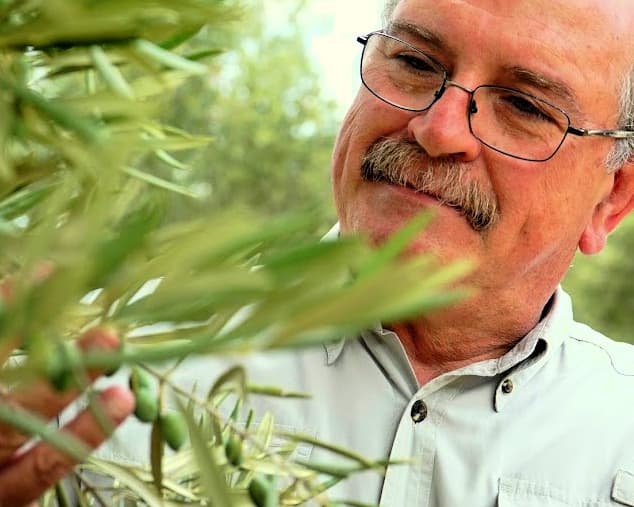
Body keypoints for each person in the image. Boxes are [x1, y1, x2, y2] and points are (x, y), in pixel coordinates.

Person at [2, 0, 634, 505]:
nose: (439, 129)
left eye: (523, 106)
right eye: (414, 62)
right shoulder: (104, 361)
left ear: (611, 198)